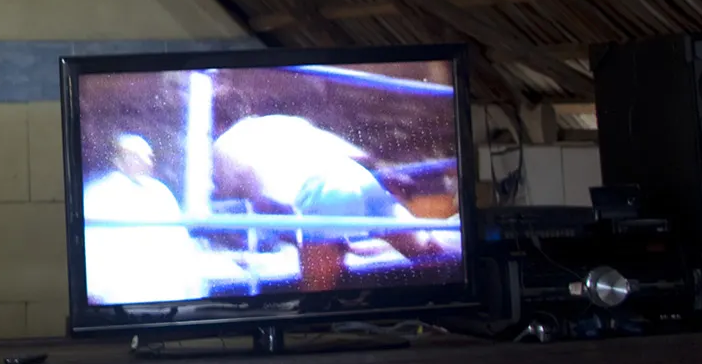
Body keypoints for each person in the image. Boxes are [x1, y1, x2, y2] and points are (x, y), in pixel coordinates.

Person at [208, 114, 460, 273]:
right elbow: (349, 153)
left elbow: (268, 202)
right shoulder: (277, 122)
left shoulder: (224, 148)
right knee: (427, 248)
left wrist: (313, 241)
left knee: (316, 301)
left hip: (320, 188)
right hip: (354, 174)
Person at [81, 131, 210, 304]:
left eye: (148, 156)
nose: (146, 162)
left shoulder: (161, 193)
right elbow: (91, 252)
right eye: (136, 156)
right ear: (117, 160)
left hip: (166, 296)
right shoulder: (97, 196)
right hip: (119, 297)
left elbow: (180, 245)